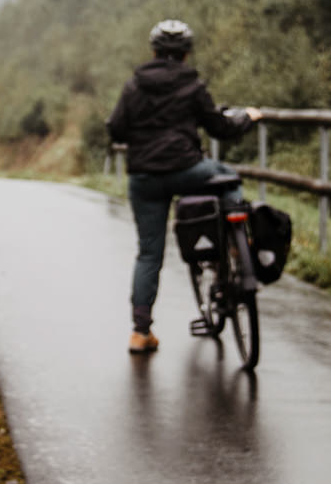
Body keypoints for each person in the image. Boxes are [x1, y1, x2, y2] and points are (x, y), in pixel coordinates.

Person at [106, 19, 262, 354]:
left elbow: (117, 130)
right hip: (187, 169)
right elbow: (220, 127)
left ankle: (140, 333)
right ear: (187, 53)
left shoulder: (134, 86)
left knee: (149, 253)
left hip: (145, 177)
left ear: (154, 51)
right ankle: (239, 241)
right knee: (226, 176)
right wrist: (246, 117)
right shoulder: (192, 84)